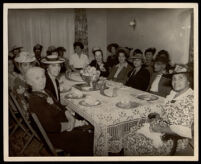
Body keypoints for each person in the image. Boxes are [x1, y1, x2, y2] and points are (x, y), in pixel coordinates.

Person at [123, 64, 194, 156]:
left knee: (133, 140)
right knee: (129, 133)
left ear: (189, 81)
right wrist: (159, 116)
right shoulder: (173, 94)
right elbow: (169, 114)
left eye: (181, 78)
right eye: (174, 78)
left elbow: (186, 130)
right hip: (164, 128)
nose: (176, 82)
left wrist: (160, 128)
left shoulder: (190, 99)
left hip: (175, 137)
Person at [25, 67, 94, 156]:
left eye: (43, 77)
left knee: (88, 128)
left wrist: (71, 118)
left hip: (63, 124)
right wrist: (72, 124)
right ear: (30, 82)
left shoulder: (46, 91)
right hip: (55, 135)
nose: (42, 80)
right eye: (37, 78)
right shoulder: (36, 101)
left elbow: (60, 106)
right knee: (87, 136)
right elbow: (52, 126)